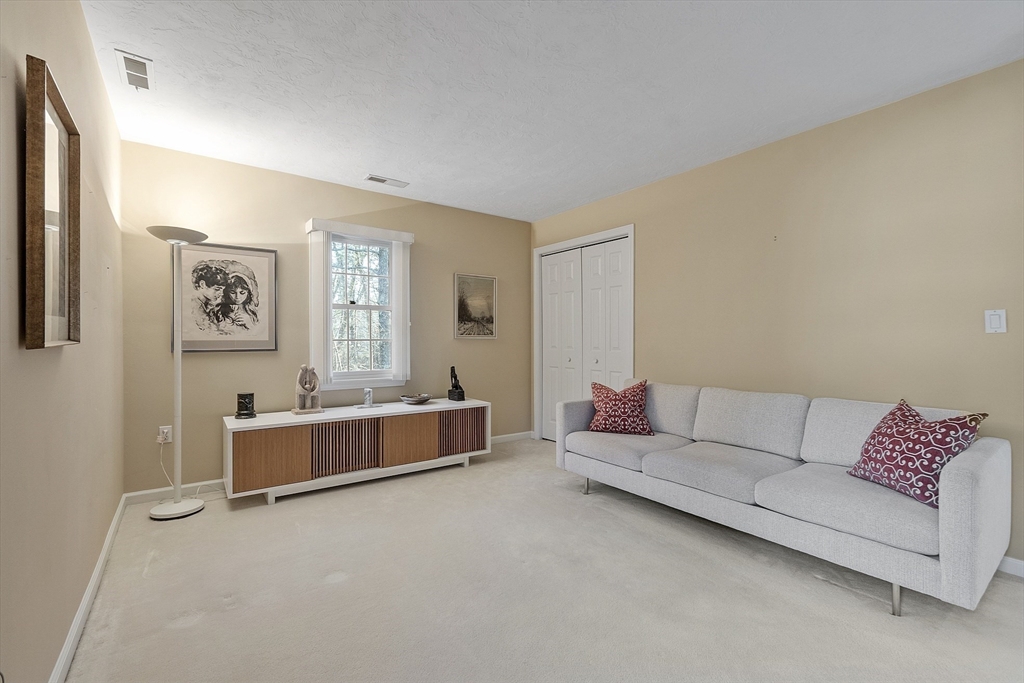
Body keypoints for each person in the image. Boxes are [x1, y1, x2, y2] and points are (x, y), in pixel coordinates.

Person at [190, 262, 228, 331]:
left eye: (222, 290)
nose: (221, 293)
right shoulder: (194, 306)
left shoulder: (210, 304)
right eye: (217, 289)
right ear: (202, 284)